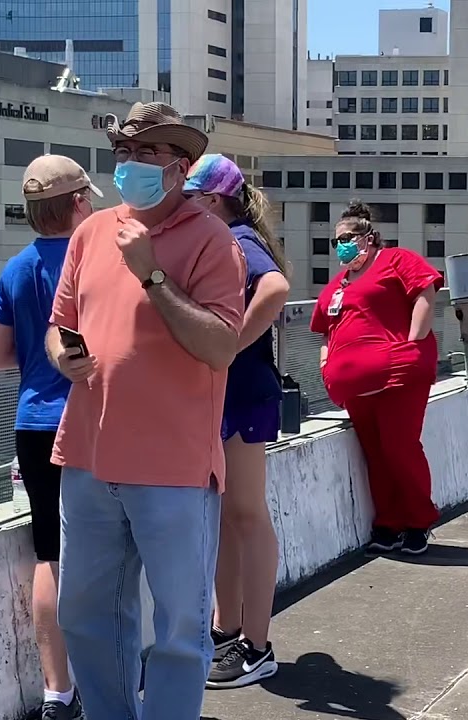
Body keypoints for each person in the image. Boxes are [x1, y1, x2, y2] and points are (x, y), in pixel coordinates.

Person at [46, 102, 247, 720]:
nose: (130, 166)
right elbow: (60, 325)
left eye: (146, 155)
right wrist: (64, 357)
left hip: (175, 468)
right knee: (86, 616)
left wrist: (153, 276)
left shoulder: (211, 239)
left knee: (181, 627)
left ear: (180, 168)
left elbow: (219, 345)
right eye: (124, 154)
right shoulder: (89, 231)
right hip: (87, 455)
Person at [0, 155, 100, 720]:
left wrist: (36, 364)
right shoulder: (98, 261)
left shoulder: (16, 269)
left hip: (33, 424)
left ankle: (58, 692)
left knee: (49, 556)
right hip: (96, 422)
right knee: (107, 555)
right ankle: (111, 685)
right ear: (77, 202)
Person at [183, 154, 288, 690]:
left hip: (242, 395)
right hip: (227, 396)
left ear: (213, 199)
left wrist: (229, 346)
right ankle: (228, 630)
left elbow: (274, 290)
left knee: (245, 515)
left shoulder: (237, 239)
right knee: (226, 517)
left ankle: (257, 645)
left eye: (191, 196)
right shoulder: (229, 236)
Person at [310, 201, 443, 556]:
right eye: (336, 241)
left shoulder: (396, 259)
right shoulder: (337, 284)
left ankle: (418, 521)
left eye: (348, 237)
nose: (341, 245)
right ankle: (389, 522)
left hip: (398, 376)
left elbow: (425, 295)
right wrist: (326, 366)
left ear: (368, 237)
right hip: (355, 387)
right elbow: (325, 328)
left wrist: (412, 345)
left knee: (400, 448)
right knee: (376, 454)